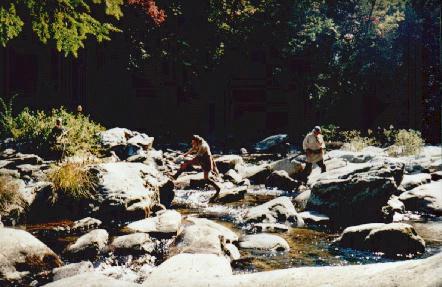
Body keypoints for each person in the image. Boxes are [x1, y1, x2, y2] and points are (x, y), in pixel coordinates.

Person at [173, 135, 221, 201]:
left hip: (206, 162)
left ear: (197, 141)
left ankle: (218, 189)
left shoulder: (203, 146)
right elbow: (193, 149)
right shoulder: (197, 143)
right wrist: (186, 154)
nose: (193, 144)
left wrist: (187, 162)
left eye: (193, 142)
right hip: (201, 160)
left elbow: (196, 158)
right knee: (184, 164)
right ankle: (175, 176)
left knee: (206, 179)